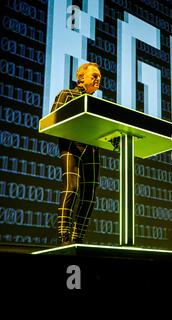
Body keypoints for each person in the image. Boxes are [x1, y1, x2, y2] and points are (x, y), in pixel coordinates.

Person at [51, 62, 102, 245]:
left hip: (92, 150)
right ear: (81, 78)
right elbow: (53, 119)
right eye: (94, 76)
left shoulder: (98, 104)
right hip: (71, 146)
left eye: (99, 78)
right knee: (71, 188)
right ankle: (64, 237)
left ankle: (77, 237)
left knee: (89, 195)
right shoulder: (66, 94)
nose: (97, 80)